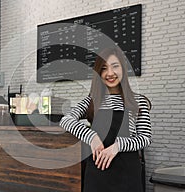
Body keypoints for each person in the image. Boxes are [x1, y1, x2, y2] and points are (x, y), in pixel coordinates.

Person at [59, 46, 152, 192]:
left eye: (115, 66)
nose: (110, 73)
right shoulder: (92, 101)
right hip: (97, 173)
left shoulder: (137, 101)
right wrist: (91, 136)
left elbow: (145, 138)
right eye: (103, 68)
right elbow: (66, 120)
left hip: (127, 173)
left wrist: (117, 146)